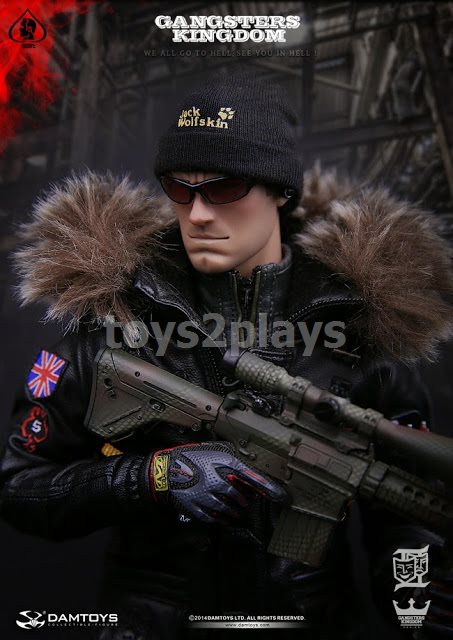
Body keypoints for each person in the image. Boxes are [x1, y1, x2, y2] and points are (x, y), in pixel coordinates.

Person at [1, 71, 453, 640]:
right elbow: (20, 486)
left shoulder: (364, 326)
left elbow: (408, 515)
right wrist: (154, 475)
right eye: (180, 188)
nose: (197, 214)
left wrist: (414, 606)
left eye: (224, 188)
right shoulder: (112, 324)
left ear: (280, 191)